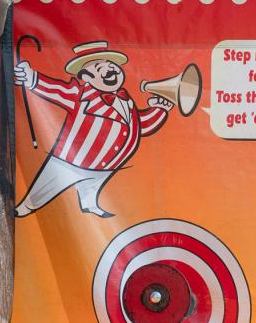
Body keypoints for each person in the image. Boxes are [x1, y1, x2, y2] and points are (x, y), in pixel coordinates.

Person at [14, 40, 174, 219]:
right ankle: (26, 207)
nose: (108, 69)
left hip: (105, 165)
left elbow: (141, 124)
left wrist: (160, 110)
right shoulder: (80, 94)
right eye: (99, 67)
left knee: (90, 189)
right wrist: (30, 77)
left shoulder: (126, 101)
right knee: (45, 188)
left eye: (111, 65)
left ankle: (90, 205)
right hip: (70, 162)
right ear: (86, 77)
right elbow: (56, 90)